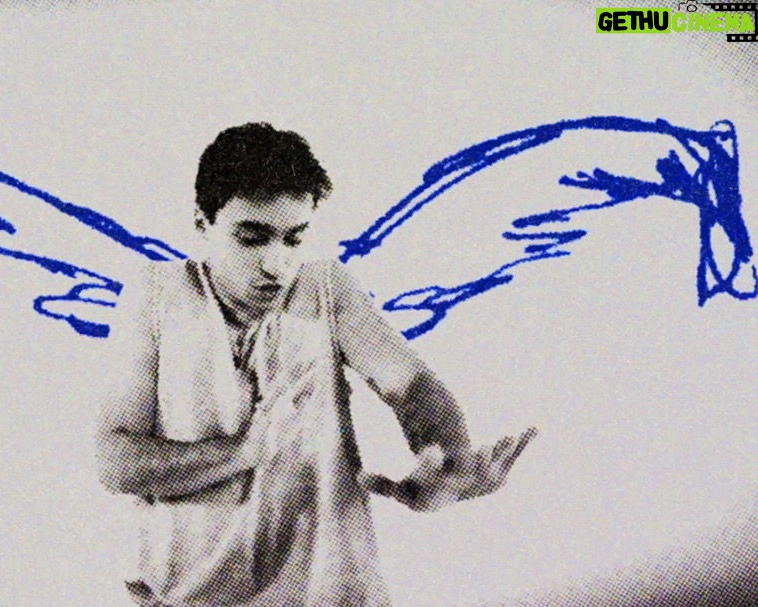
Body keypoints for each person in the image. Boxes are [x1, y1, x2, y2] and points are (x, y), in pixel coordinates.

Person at [94, 122, 536, 607]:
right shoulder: (155, 297)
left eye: (293, 239)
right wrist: (242, 453)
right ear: (202, 223)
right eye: (252, 238)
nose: (276, 264)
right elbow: (116, 461)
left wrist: (448, 459)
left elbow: (411, 387)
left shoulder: (326, 289)